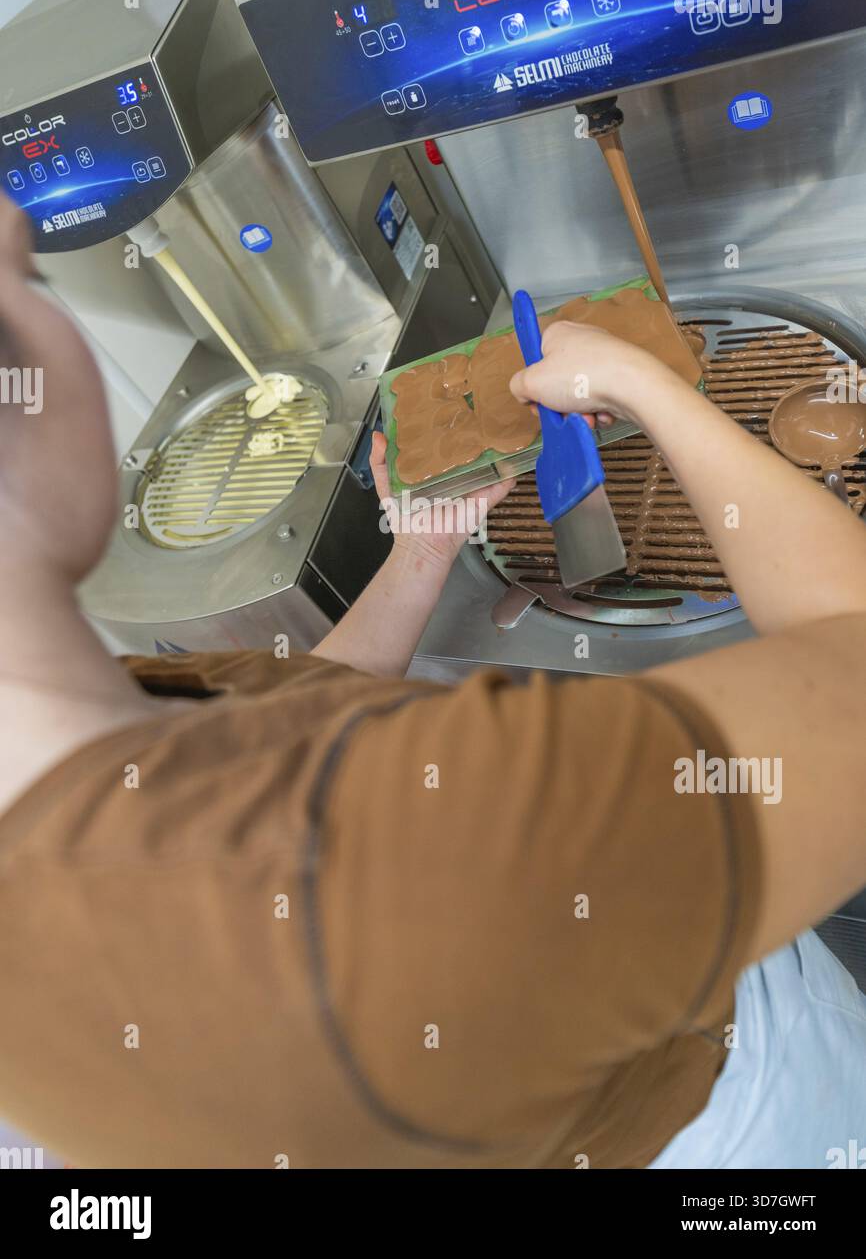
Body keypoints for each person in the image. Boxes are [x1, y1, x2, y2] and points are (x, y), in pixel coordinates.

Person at [0, 188, 864, 1169]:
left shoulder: (80, 756)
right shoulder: (440, 857)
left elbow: (270, 733)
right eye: (25, 286)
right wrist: (649, 388)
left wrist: (422, 551)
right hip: (737, 1111)